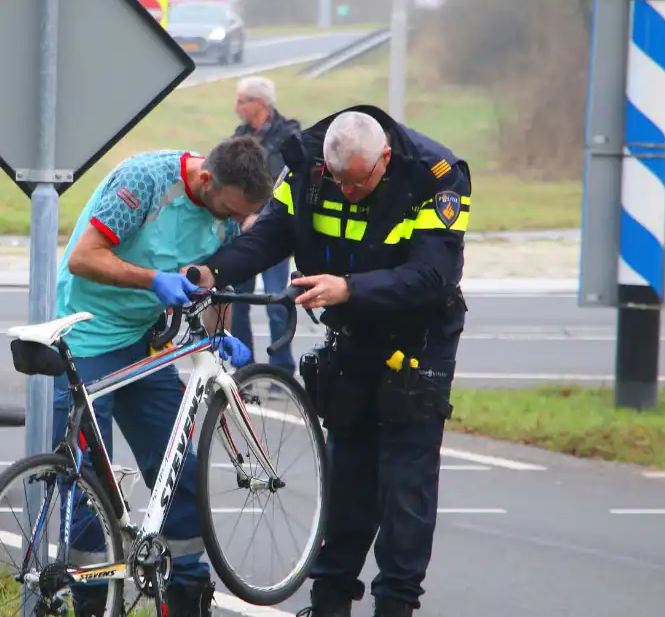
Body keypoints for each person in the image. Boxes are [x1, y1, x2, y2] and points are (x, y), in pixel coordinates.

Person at [184, 105, 471, 617]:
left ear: (384, 158)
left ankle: (395, 607)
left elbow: (434, 277)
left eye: (357, 183)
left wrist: (349, 288)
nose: (345, 192)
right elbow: (269, 237)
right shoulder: (306, 168)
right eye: (337, 181)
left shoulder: (436, 176)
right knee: (347, 476)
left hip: (417, 344)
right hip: (351, 339)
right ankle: (329, 603)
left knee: (405, 488)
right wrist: (213, 272)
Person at [53, 137, 273, 617]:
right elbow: (82, 257)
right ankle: (90, 597)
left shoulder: (230, 213)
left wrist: (216, 338)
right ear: (206, 180)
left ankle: (189, 593)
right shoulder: (146, 182)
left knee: (177, 470)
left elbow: (214, 289)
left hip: (144, 340)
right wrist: (153, 280)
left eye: (245, 216)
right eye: (233, 210)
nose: (235, 223)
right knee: (87, 476)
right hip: (89, 333)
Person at [229, 76, 300, 374]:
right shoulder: (240, 137)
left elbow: (288, 181)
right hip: (243, 232)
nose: (236, 107)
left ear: (259, 104)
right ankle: (244, 367)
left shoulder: (289, 135)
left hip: (274, 231)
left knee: (275, 301)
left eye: (241, 101)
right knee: (237, 303)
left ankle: (281, 368)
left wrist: (263, 214)